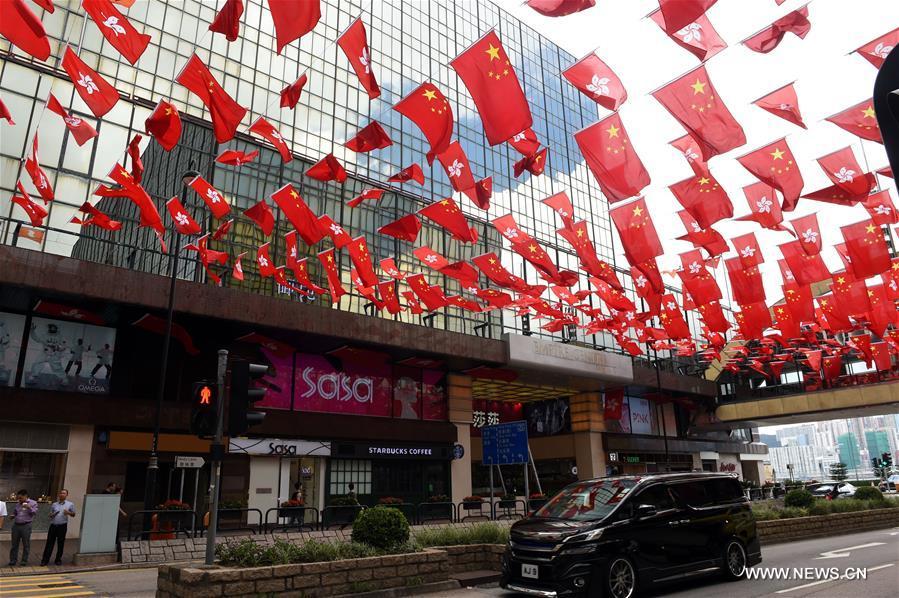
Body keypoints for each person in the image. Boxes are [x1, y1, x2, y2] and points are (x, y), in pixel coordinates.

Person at [41, 489, 76, 566]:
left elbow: (73, 514)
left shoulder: (70, 504)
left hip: (62, 526)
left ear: (66, 495)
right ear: (59, 495)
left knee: (60, 543)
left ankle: (58, 559)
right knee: (49, 543)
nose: (62, 494)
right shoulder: (54, 504)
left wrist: (68, 512)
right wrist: (53, 514)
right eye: (61, 493)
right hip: (53, 526)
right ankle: (45, 560)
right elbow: (50, 515)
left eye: (64, 493)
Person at [8, 489, 38, 566]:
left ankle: (24, 560)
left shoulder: (33, 503)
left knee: (26, 544)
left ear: (25, 496)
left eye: (21, 498)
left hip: (26, 526)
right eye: (18, 498)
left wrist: (29, 507)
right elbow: (15, 513)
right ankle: (13, 560)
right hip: (16, 526)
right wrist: (13, 516)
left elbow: (34, 513)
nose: (19, 500)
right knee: (14, 544)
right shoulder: (18, 504)